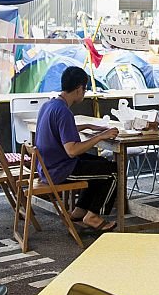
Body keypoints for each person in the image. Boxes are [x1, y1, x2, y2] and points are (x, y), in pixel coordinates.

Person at [35, 66, 119, 232]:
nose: (85, 92)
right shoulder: (64, 112)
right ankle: (93, 216)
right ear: (79, 88)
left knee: (100, 163)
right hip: (60, 169)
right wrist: (100, 136)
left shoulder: (50, 105)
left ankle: (80, 210)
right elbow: (72, 150)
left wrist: (88, 126)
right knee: (113, 172)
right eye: (85, 89)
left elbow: (60, 129)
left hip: (46, 166)